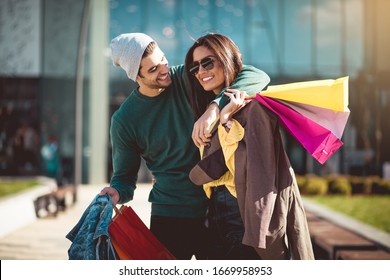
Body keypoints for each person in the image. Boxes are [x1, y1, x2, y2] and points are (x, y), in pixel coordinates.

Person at [99, 33, 268, 260]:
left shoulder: (185, 77)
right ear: (135, 76)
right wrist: (116, 191)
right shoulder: (124, 120)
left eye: (163, 60)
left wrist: (214, 108)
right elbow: (124, 178)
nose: (163, 70)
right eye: (152, 70)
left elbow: (256, 76)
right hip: (170, 216)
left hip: (216, 209)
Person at [185, 33, 315, 260]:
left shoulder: (252, 106)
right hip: (216, 208)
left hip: (239, 208)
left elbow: (250, 164)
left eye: (208, 62)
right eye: (195, 68)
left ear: (226, 58)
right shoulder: (208, 108)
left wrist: (223, 117)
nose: (201, 71)